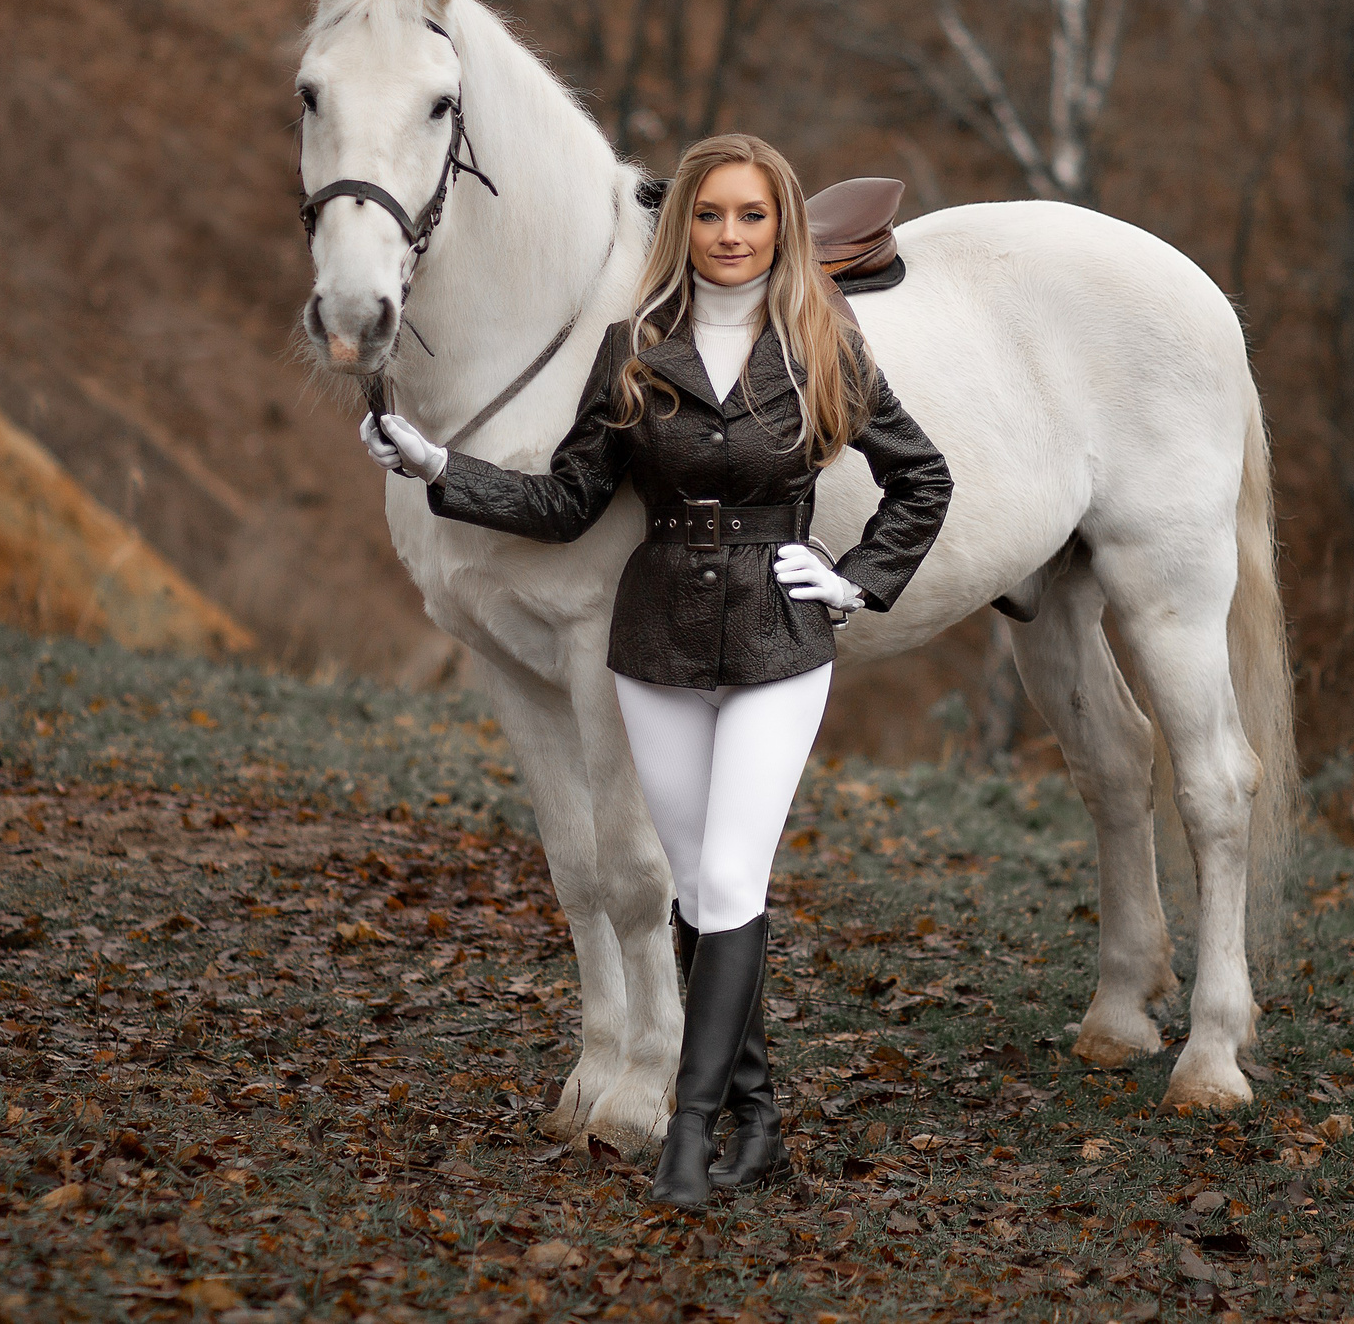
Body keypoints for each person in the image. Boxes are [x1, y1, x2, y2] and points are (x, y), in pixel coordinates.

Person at [359, 132, 952, 1205]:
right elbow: (567, 503)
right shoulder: (634, 346)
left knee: (728, 879)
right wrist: (442, 468)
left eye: (753, 216)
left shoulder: (822, 342)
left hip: (779, 634)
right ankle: (758, 1119)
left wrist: (861, 578)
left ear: (781, 228)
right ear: (686, 227)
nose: (731, 236)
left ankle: (690, 1128)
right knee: (692, 886)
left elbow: (922, 475)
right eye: (712, 216)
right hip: (656, 637)